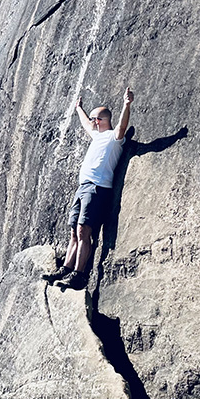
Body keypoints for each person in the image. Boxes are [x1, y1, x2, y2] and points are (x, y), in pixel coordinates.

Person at [43, 87, 134, 290]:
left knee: (84, 230)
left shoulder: (113, 138)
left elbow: (122, 126)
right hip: (83, 188)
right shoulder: (97, 136)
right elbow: (85, 123)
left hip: (97, 188)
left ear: (100, 120)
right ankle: (66, 269)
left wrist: (126, 105)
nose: (91, 122)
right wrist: (79, 109)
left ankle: (79, 274)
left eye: (94, 119)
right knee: (74, 232)